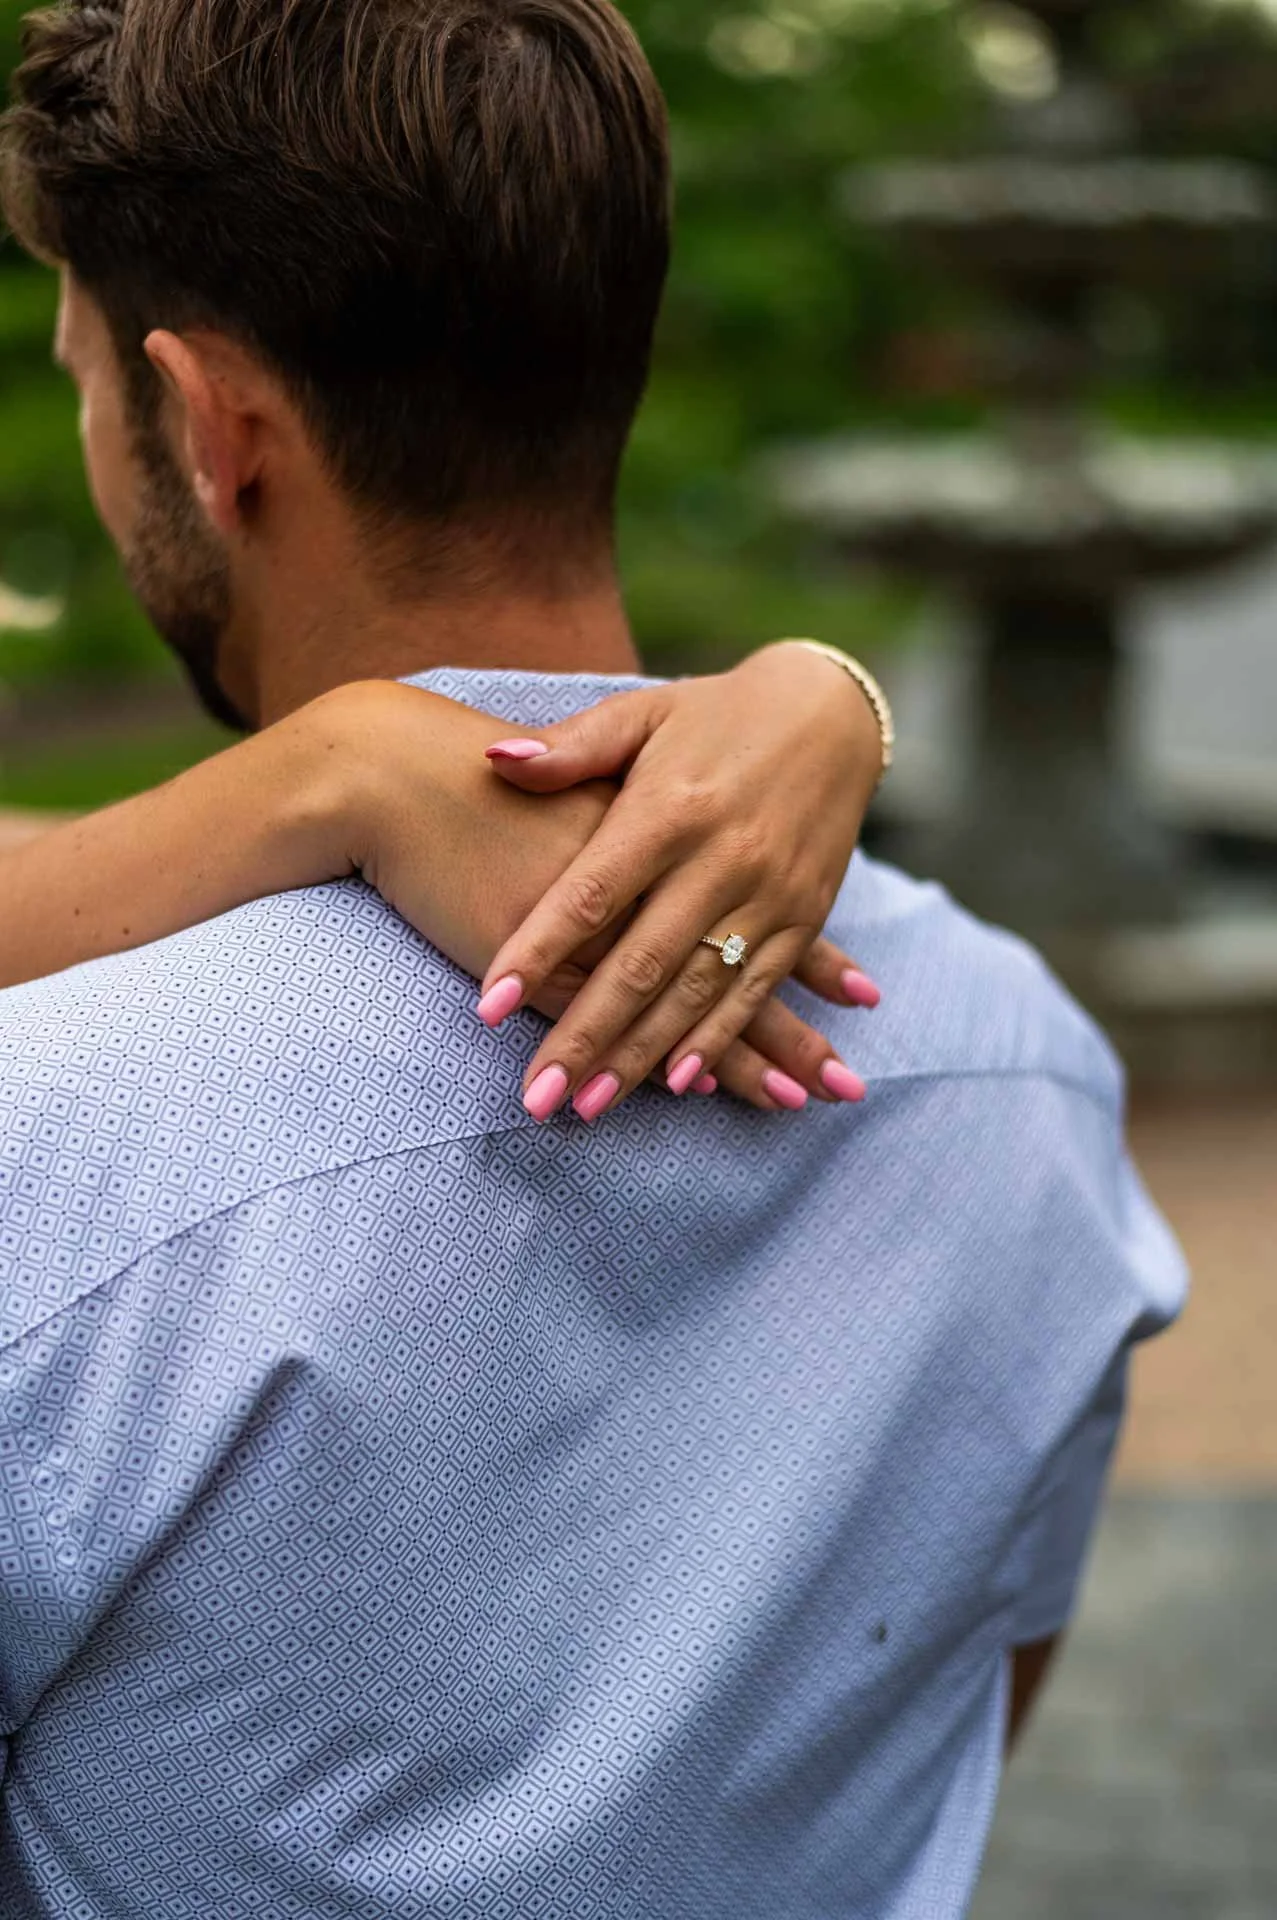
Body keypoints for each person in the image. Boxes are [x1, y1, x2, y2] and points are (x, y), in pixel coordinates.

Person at [0, 3, 1185, 1917]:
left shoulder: (48, 1143)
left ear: (215, 429)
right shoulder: (1029, 1077)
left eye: (81, 380)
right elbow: (969, 1719)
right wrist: (819, 687)